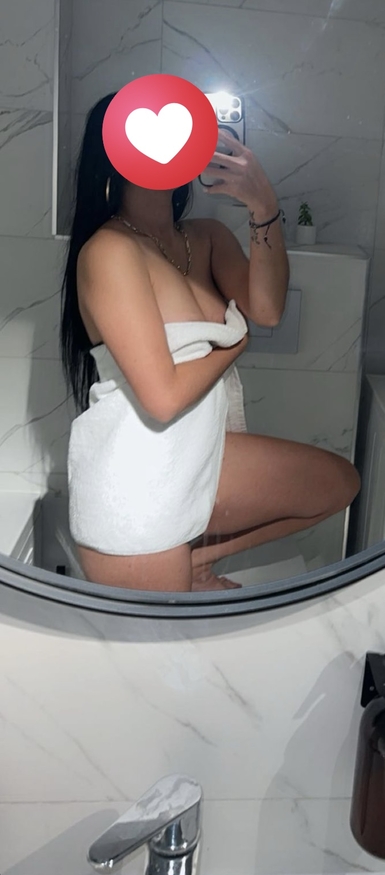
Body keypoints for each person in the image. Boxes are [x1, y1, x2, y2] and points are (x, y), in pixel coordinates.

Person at [60, 93, 360, 593]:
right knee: (165, 646)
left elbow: (267, 309)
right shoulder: (110, 250)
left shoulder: (207, 237)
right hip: (137, 485)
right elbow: (162, 398)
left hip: (194, 451)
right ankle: (187, 559)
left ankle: (197, 556)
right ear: (112, 151)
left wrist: (264, 205)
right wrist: (232, 346)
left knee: (338, 483)